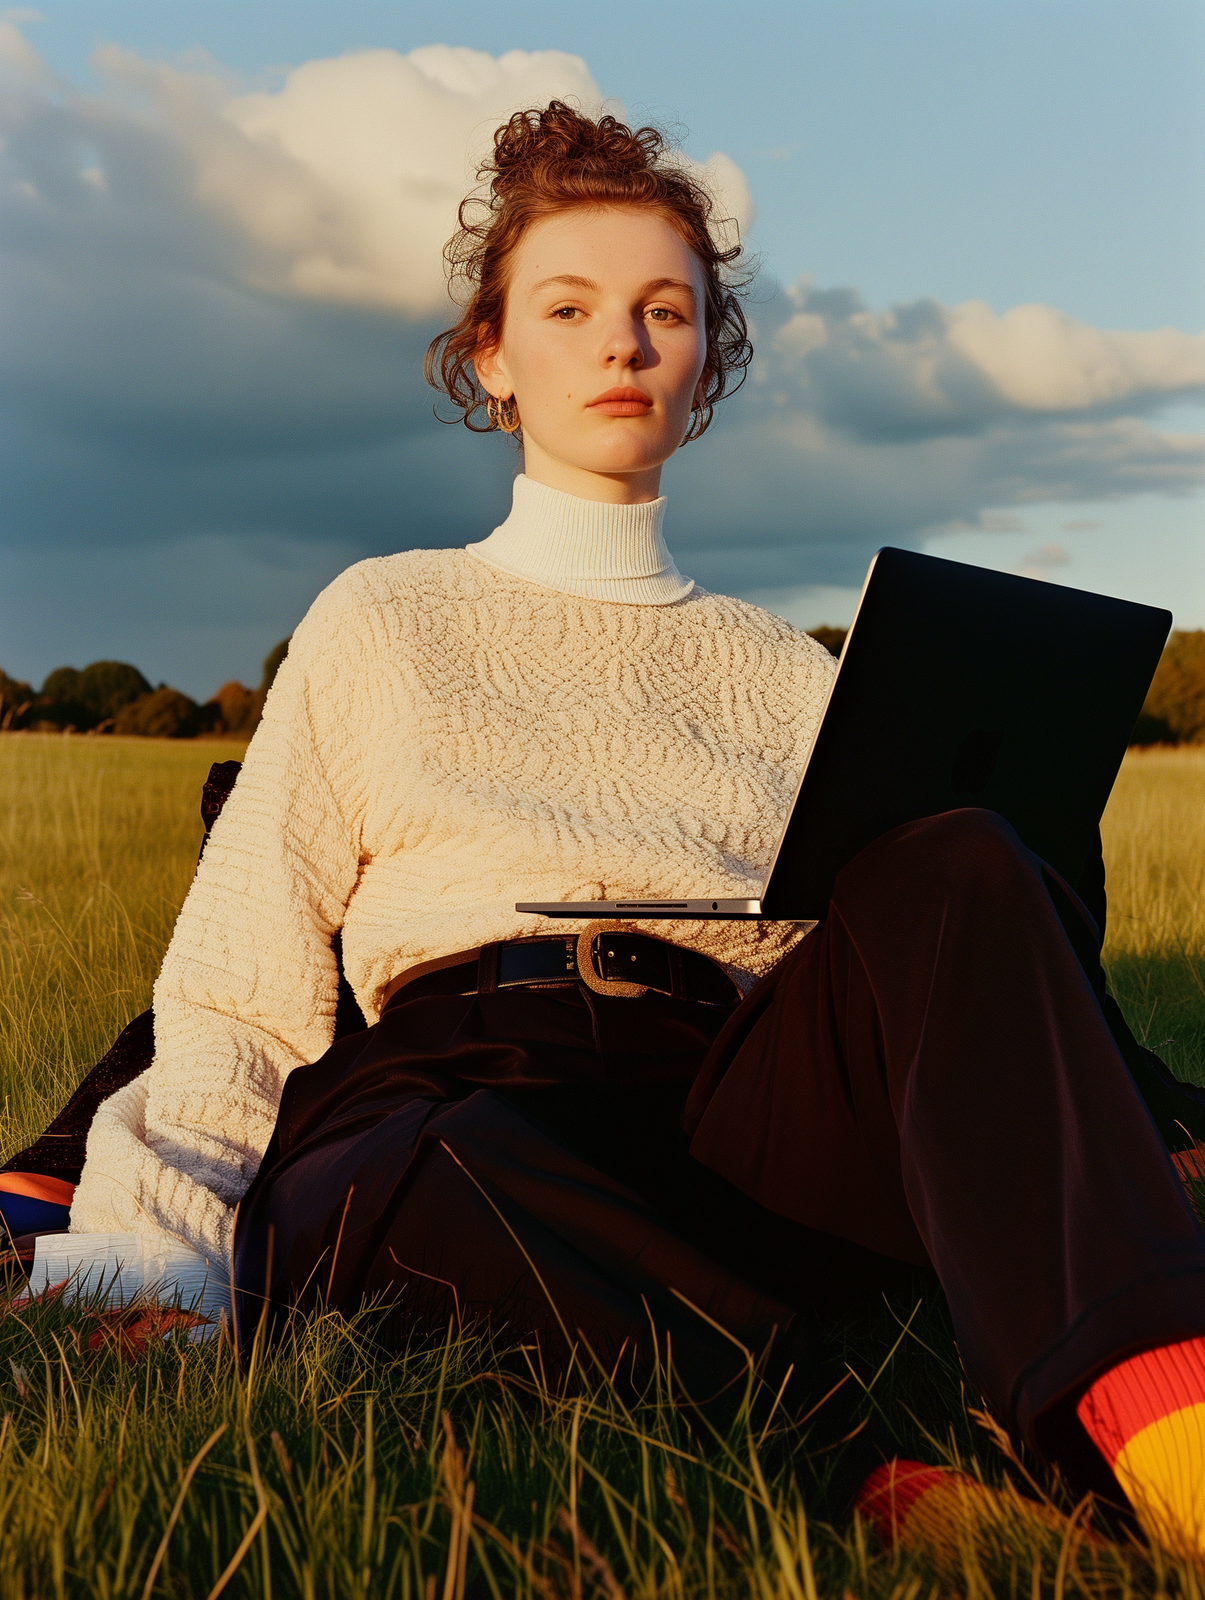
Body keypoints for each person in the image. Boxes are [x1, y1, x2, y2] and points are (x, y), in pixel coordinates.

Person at [12, 102, 1205, 1560]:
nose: (623, 343)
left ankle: (1160, 1415)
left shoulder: (791, 667)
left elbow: (892, 961)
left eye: (665, 311)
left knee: (957, 847)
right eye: (569, 309)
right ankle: (874, 1476)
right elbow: (235, 984)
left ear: (710, 362)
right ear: (494, 359)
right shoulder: (382, 616)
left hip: (722, 1097)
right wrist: (157, 1250)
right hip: (462, 1079)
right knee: (437, 1167)